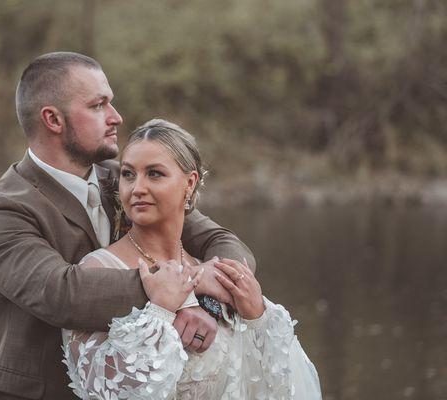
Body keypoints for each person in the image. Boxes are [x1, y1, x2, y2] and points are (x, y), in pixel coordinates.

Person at [0, 52, 256, 400]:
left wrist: (207, 300)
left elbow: (222, 242)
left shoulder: (127, 179)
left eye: (111, 103)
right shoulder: (0, 208)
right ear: (53, 119)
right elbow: (60, 293)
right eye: (98, 105)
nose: (116, 117)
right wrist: (176, 288)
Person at [62, 119, 322, 399]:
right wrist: (160, 312)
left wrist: (257, 318)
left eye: (154, 174)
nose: (137, 188)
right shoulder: (96, 270)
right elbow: (104, 390)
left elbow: (278, 385)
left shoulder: (211, 270)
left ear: (189, 182)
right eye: (128, 174)